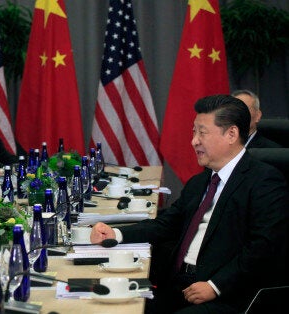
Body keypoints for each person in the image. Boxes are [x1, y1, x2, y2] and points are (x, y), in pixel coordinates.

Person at [91, 95, 289, 313]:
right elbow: (166, 224)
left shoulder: (264, 180)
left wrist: (216, 286)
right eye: (194, 132)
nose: (194, 141)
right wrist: (116, 234)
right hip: (178, 286)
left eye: (202, 133)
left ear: (231, 134)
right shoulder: (201, 181)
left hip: (227, 295)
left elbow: (263, 247)